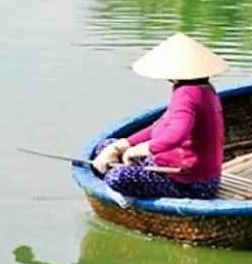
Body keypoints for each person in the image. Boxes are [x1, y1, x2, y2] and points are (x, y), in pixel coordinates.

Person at [90, 32, 227, 199]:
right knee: (105, 146)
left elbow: (175, 135)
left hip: (191, 183)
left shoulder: (186, 95)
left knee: (116, 177)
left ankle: (128, 200)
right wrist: (122, 145)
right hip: (182, 170)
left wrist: (137, 151)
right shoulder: (203, 89)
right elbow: (160, 126)